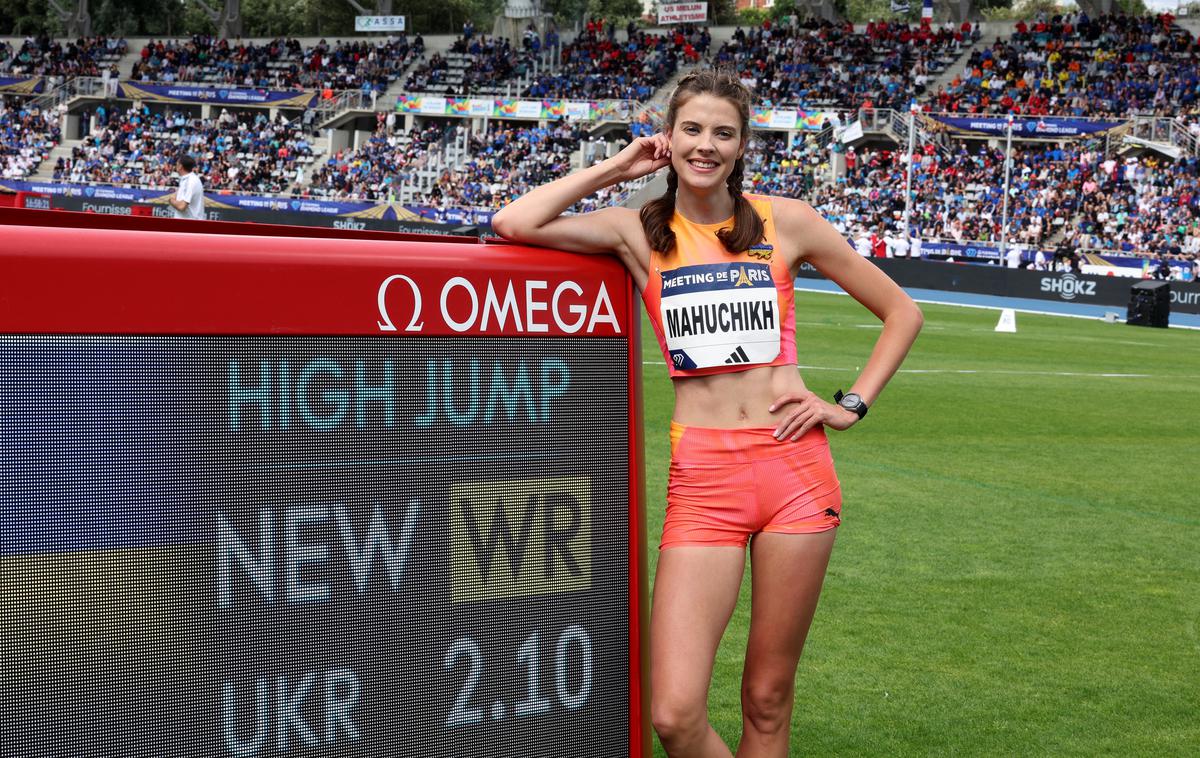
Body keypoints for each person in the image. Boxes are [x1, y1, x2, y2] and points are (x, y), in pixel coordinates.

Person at [492, 70, 923, 756]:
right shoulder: (637, 231)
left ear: (743, 144)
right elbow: (514, 223)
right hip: (704, 479)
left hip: (795, 472)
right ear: (670, 136)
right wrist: (619, 164)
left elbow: (902, 312)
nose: (706, 145)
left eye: (724, 133)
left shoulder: (789, 222)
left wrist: (848, 405)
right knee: (674, 711)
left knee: (768, 699)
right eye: (692, 129)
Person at [168, 154, 204, 220]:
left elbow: (181, 206)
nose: (175, 166)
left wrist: (170, 200)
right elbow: (176, 195)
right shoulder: (187, 179)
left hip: (189, 224)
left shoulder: (191, 181)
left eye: (177, 164)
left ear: (180, 167)